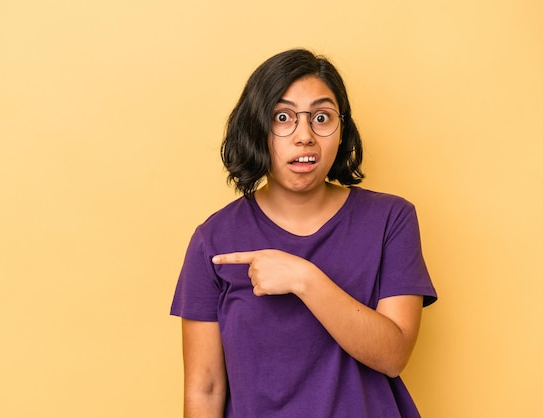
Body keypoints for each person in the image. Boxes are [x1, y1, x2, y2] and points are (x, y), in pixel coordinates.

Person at [170, 48, 437, 418]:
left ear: (342, 131)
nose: (305, 136)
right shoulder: (213, 239)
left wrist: (304, 279)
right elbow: (205, 389)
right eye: (283, 117)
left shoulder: (391, 219)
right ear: (256, 129)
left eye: (322, 117)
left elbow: (393, 356)